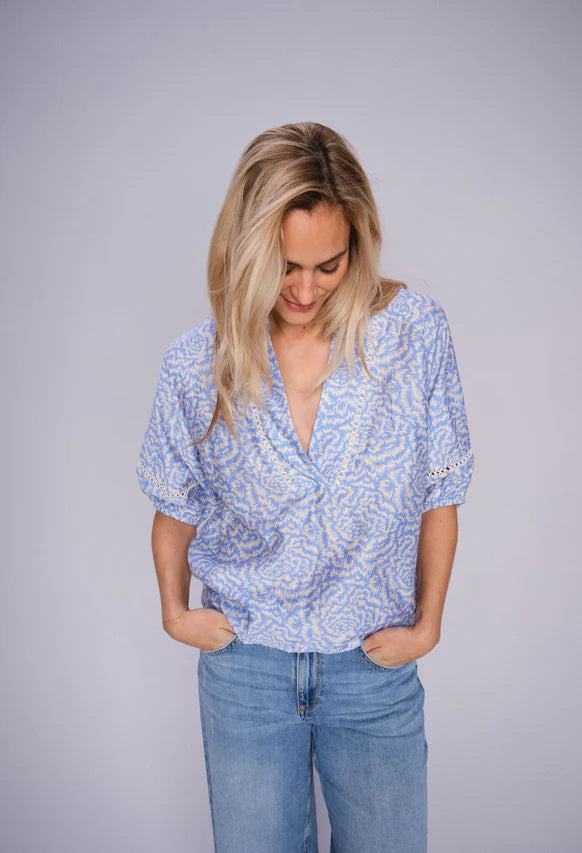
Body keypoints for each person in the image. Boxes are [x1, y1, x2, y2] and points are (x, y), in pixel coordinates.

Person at [136, 121, 475, 853]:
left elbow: (440, 491)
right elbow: (174, 505)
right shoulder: (197, 364)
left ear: (357, 245)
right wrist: (175, 612)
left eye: (329, 265)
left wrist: (428, 624)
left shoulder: (412, 334)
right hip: (248, 672)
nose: (305, 288)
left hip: (372, 665)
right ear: (248, 247)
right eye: (285, 265)